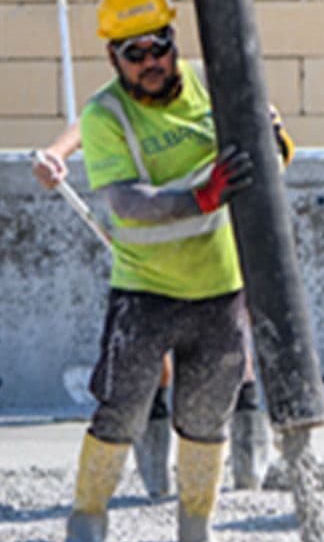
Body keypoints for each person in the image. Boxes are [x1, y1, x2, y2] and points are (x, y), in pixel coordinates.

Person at [63, 0, 272, 542]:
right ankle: (87, 522)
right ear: (114, 58)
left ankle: (196, 530)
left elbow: (264, 143)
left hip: (219, 289)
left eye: (159, 46)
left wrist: (273, 142)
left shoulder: (210, 87)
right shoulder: (106, 114)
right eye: (135, 54)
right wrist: (202, 198)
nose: (151, 61)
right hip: (145, 291)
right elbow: (127, 202)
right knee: (121, 410)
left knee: (207, 416)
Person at [36, 126, 282, 496]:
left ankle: (248, 476)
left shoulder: (202, 100)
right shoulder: (128, 105)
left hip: (211, 237)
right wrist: (56, 153)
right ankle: (158, 483)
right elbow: (95, 116)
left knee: (233, 355)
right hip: (153, 240)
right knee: (152, 359)